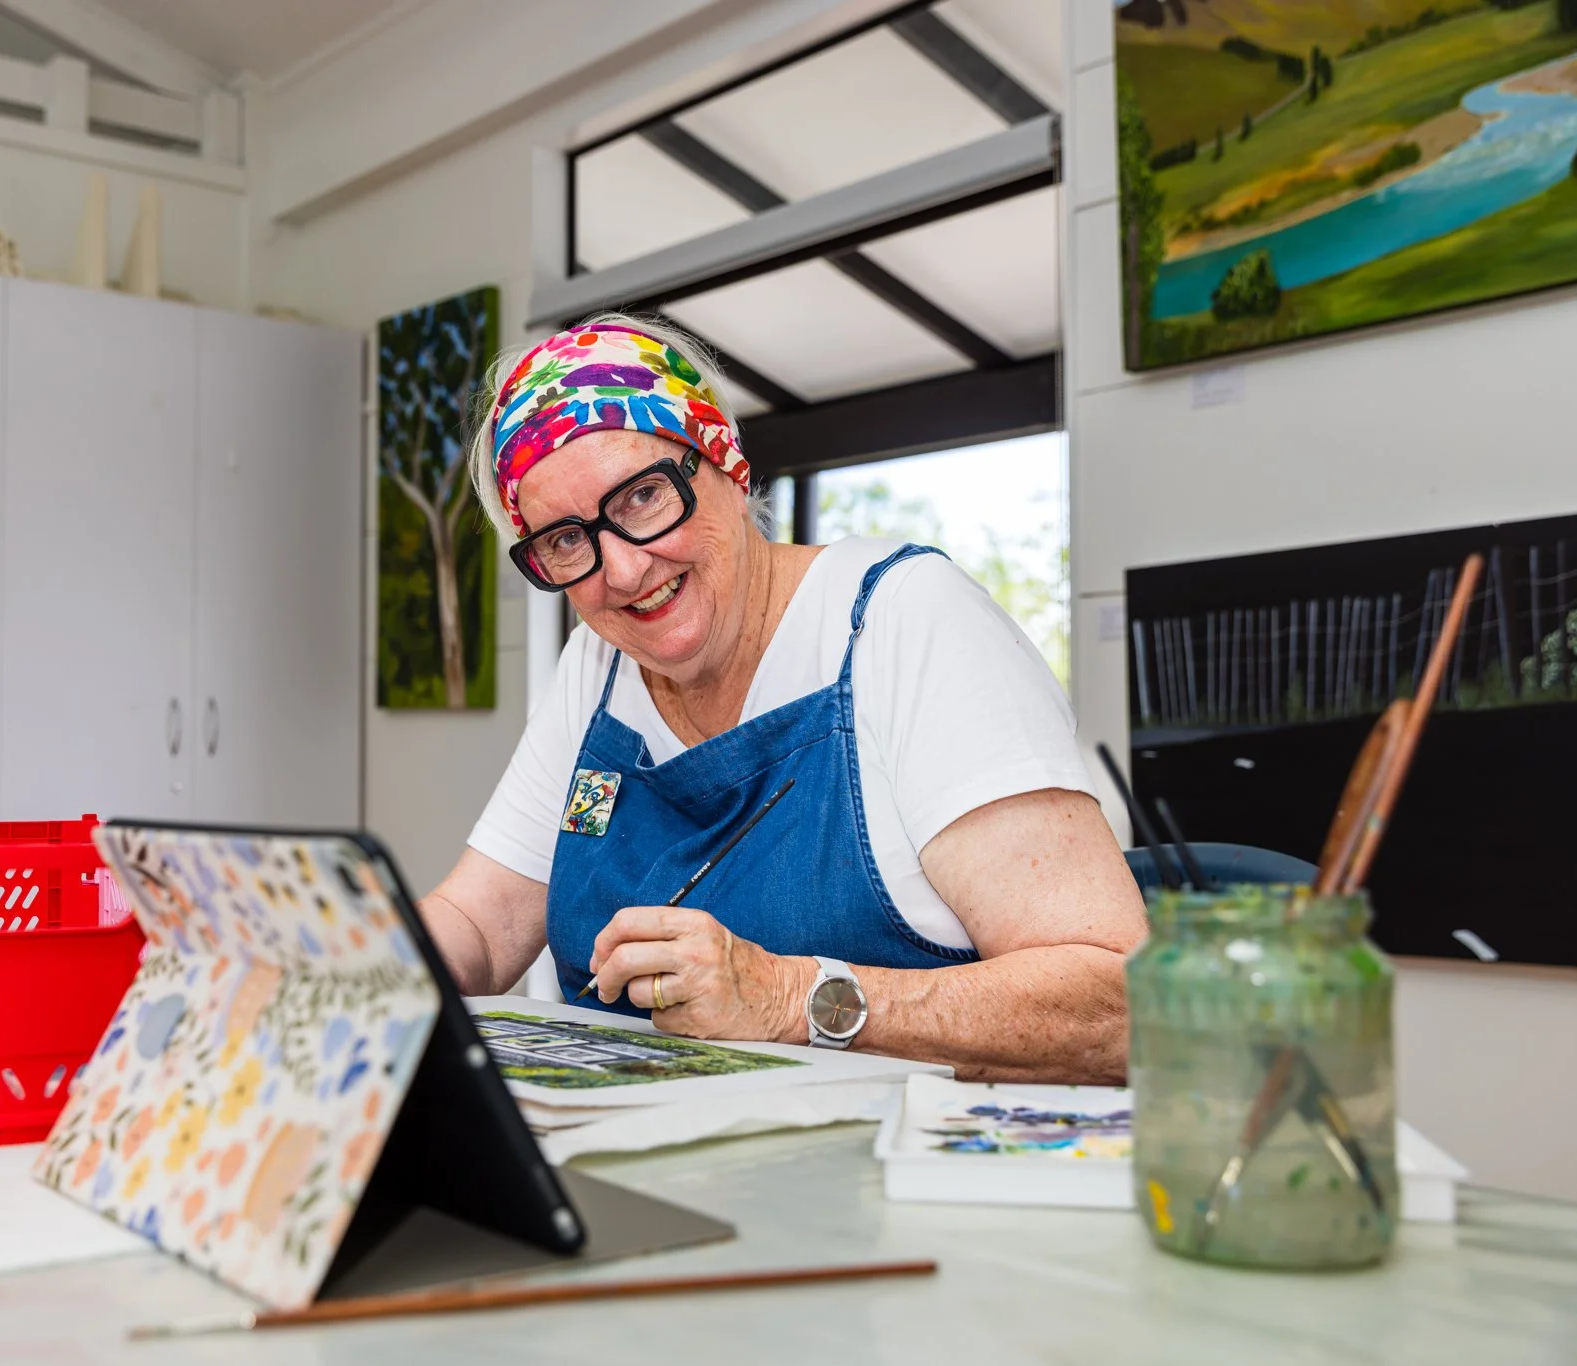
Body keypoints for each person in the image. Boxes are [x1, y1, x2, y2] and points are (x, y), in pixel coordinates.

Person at [417, 316, 1145, 1083]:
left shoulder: (903, 619)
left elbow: (1118, 1003)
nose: (623, 571)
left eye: (641, 497)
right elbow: (478, 928)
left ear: (726, 466)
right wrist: (359, 966)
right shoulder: (599, 661)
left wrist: (794, 999)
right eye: (566, 540)